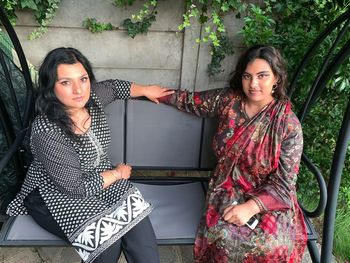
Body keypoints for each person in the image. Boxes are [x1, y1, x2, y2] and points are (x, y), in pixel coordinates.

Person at [6, 47, 174, 263]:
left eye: (83, 79)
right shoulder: (47, 131)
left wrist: (146, 89)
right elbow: (76, 188)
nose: (78, 90)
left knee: (138, 227)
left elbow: (114, 87)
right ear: (50, 87)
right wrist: (117, 174)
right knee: (107, 244)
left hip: (99, 175)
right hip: (52, 195)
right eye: (66, 82)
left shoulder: (92, 99)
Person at [159, 45, 307, 262]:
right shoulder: (230, 101)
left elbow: (284, 184)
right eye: (247, 76)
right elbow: (190, 101)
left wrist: (251, 207)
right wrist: (148, 91)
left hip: (270, 196)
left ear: (276, 78)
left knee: (272, 245)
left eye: (262, 76)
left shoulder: (287, 125)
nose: (253, 84)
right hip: (227, 186)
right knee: (226, 237)